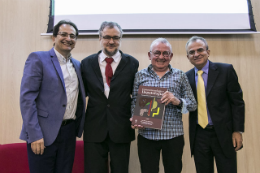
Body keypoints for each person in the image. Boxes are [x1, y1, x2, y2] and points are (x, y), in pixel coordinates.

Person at [20, 20, 86, 173]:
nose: (68, 38)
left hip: (68, 133)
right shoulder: (38, 59)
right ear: (54, 37)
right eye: (63, 34)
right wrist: (35, 135)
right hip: (43, 134)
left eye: (72, 35)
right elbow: (27, 99)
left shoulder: (78, 65)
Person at [131, 38, 197, 173]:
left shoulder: (180, 76)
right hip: (147, 136)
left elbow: (193, 104)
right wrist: (135, 119)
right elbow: (134, 102)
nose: (161, 57)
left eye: (165, 53)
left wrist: (177, 101)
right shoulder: (139, 75)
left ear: (171, 56)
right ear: (149, 55)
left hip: (173, 136)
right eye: (157, 53)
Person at [81, 21, 139, 173]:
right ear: (99, 38)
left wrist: (138, 117)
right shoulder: (86, 64)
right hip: (94, 127)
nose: (111, 41)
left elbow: (136, 95)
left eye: (116, 37)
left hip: (121, 127)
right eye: (107, 37)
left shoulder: (132, 63)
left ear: (121, 39)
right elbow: (82, 94)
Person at [185, 36, 245, 173]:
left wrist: (237, 131)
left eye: (200, 50)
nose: (196, 54)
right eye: (192, 52)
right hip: (199, 135)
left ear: (208, 52)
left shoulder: (226, 70)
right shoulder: (186, 77)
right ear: (187, 56)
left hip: (224, 134)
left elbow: (237, 103)